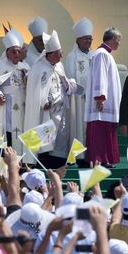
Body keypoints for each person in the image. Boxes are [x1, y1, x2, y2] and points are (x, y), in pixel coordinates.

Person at [24, 30, 80, 168]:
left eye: (61, 52)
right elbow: (36, 89)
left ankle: (59, 160)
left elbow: (63, 81)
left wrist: (69, 84)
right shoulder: (39, 68)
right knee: (46, 137)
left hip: (60, 108)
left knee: (61, 135)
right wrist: (44, 101)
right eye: (58, 53)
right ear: (50, 54)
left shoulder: (59, 65)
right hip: (46, 110)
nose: (61, 55)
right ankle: (44, 161)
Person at [85, 27, 123, 167]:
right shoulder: (102, 54)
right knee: (100, 132)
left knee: (106, 131)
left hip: (106, 102)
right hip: (102, 103)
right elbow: (100, 76)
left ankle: (106, 158)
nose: (119, 43)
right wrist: (100, 97)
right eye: (118, 40)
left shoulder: (105, 54)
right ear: (113, 39)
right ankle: (100, 159)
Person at [0, 29, 29, 150]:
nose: (16, 54)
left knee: (20, 133)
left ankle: (21, 163)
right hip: (5, 105)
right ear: (7, 52)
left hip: (21, 105)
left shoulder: (24, 66)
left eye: (18, 52)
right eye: (13, 52)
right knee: (6, 132)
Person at [64, 17, 94, 156]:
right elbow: (69, 78)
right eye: (85, 38)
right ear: (78, 40)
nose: (88, 41)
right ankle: (79, 155)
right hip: (79, 100)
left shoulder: (95, 55)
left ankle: (93, 153)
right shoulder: (72, 57)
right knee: (79, 127)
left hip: (94, 99)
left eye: (90, 38)